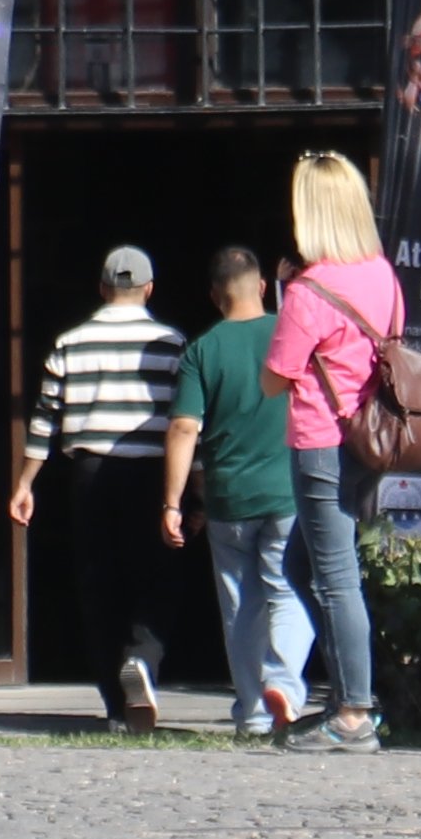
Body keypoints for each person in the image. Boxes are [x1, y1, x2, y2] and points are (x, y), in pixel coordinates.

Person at [3, 245, 185, 725]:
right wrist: (191, 493)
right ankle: (142, 658)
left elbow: (44, 420)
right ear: (149, 289)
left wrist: (25, 484)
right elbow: (186, 422)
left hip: (89, 473)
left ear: (102, 289)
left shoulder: (70, 343)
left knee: (98, 582)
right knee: (153, 577)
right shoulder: (171, 343)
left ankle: (113, 699)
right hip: (151, 472)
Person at [267, 150, 399, 754]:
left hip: (321, 442)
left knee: (335, 578)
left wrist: (283, 294)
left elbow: (276, 377)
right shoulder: (380, 273)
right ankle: (355, 688)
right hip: (367, 442)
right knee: (305, 566)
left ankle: (353, 712)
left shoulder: (308, 291)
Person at [156, 248, 317, 740]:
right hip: (288, 491)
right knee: (286, 591)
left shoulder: (202, 350)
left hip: (228, 499)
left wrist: (172, 502)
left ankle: (251, 712)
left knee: (240, 607)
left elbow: (184, 428)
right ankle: (285, 687)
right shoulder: (291, 334)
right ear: (262, 286)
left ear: (213, 295)